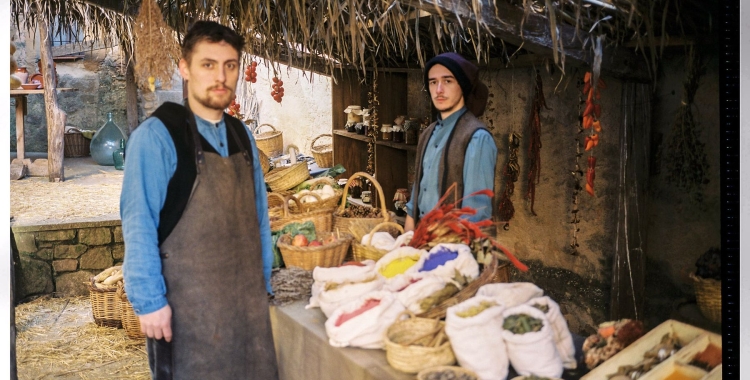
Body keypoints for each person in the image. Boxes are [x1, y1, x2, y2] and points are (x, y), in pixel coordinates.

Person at [121, 21, 278, 379]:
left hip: (247, 311)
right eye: (208, 64)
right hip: (187, 315)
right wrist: (149, 303)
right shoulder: (157, 137)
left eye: (230, 65)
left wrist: (264, 286)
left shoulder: (242, 136)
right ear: (185, 68)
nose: (220, 76)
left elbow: (259, 219)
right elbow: (138, 224)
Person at [404, 52, 498, 232]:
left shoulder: (477, 138)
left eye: (447, 81)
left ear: (462, 86)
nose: (439, 89)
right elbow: (418, 191)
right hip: (421, 239)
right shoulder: (428, 133)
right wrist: (408, 238)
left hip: (454, 246)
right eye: (433, 82)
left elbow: (477, 214)